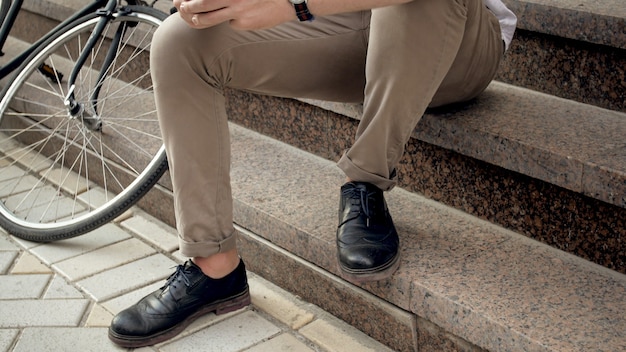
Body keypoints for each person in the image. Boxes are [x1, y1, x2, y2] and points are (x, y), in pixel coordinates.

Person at [108, 0, 516, 347]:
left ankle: (366, 179)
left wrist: (292, 4)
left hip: (455, 38)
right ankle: (214, 267)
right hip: (351, 22)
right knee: (178, 41)